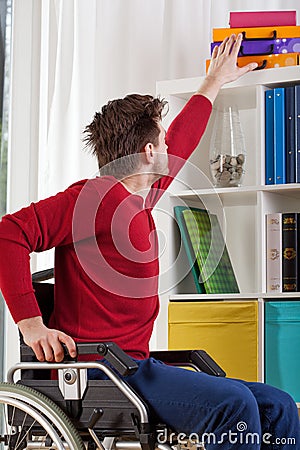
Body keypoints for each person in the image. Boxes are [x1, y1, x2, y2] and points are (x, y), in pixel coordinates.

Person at [0, 34, 299, 449]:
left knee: (279, 405)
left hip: (137, 365)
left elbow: (184, 136)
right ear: (147, 151)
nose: (168, 146)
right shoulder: (91, 198)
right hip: (105, 372)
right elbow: (8, 232)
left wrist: (212, 83)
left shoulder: (139, 200)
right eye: (162, 141)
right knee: (233, 406)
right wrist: (31, 324)